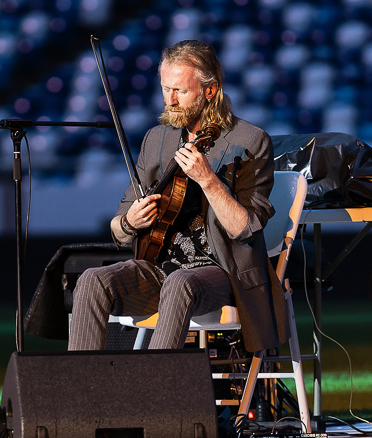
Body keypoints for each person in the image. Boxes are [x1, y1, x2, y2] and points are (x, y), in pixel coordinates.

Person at [68, 40, 288, 352]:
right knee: (91, 280)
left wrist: (208, 181)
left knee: (180, 283)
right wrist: (131, 222)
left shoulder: (250, 141)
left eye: (180, 91)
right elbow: (118, 229)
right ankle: (80, 395)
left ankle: (158, 392)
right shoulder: (157, 139)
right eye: (165, 88)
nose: (169, 100)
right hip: (161, 268)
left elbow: (245, 229)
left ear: (209, 90)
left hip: (224, 274)